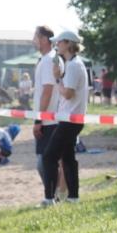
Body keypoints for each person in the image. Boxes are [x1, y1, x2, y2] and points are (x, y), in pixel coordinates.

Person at [41, 30, 88, 206]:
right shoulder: (72, 64)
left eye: (59, 42)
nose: (56, 45)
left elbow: (68, 93)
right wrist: (60, 77)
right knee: (68, 157)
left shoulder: (74, 65)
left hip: (71, 119)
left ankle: (49, 198)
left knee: (49, 156)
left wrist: (57, 79)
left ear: (68, 44)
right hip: (70, 118)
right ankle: (73, 197)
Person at [31, 26, 60, 187]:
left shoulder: (49, 59)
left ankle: (54, 196)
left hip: (49, 121)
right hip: (49, 119)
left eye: (35, 37)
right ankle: (55, 196)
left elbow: (47, 91)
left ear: (43, 39)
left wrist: (38, 120)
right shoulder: (47, 59)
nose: (33, 41)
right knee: (46, 163)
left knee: (45, 163)